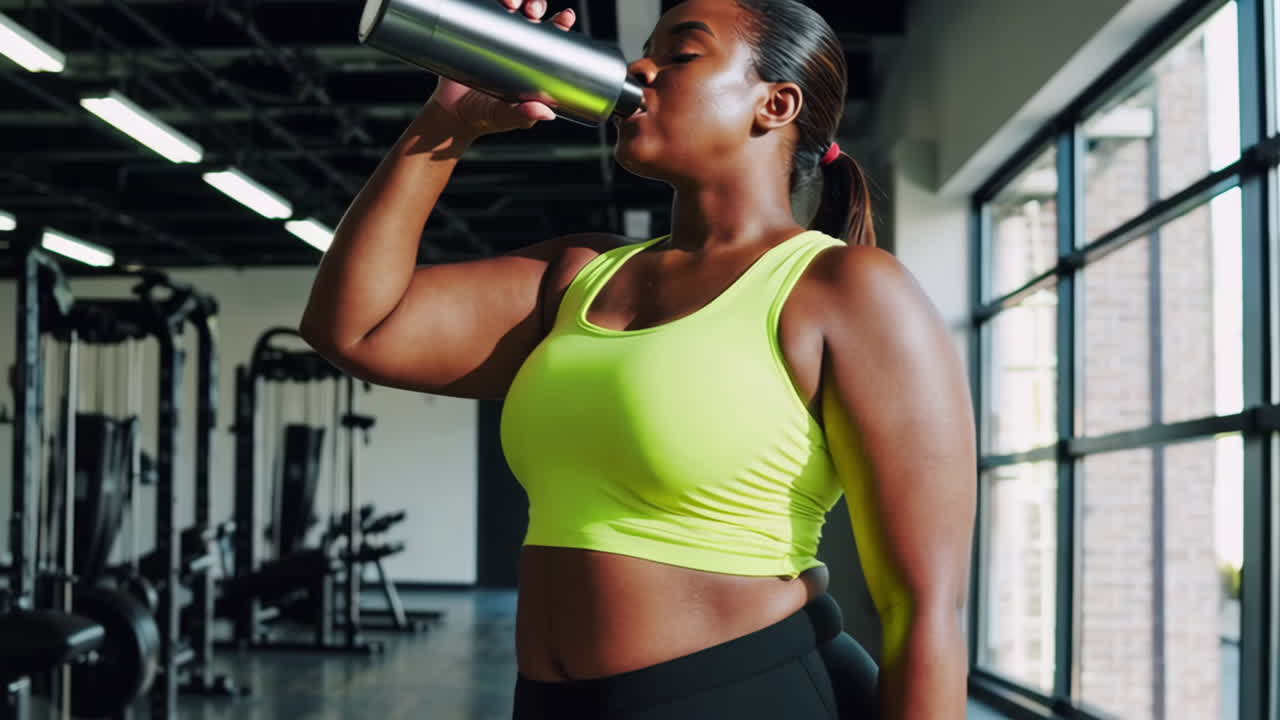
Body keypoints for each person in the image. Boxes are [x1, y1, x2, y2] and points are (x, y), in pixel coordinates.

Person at [301, 0, 976, 717]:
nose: (639, 68)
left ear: (775, 104)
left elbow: (923, 610)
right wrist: (449, 121)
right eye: (645, 51)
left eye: (680, 54)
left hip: (751, 694)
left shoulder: (844, 289)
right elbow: (354, 328)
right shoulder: (577, 276)